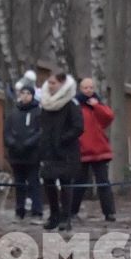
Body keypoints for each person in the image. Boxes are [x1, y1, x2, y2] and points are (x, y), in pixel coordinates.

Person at [37, 70, 85, 232]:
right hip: (48, 150)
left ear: (62, 84)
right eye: (49, 83)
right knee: (48, 182)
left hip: (66, 151)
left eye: (53, 83)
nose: (50, 86)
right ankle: (54, 215)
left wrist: (62, 139)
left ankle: (66, 217)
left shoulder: (71, 103)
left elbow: (78, 127)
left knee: (65, 184)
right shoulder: (45, 103)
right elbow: (42, 125)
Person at [67, 77, 117, 223]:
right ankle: (72, 211)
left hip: (99, 150)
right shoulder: (75, 105)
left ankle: (109, 213)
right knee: (79, 183)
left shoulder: (98, 103)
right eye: (85, 88)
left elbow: (109, 117)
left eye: (91, 88)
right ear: (80, 89)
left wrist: (97, 106)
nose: (88, 90)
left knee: (103, 183)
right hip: (81, 150)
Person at [4, 84, 43, 219]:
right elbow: (6, 131)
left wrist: (30, 142)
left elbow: (41, 131)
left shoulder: (38, 112)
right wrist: (12, 142)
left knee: (34, 183)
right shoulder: (13, 113)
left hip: (32, 155)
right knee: (19, 183)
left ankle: (36, 210)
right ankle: (19, 209)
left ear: (32, 95)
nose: (25, 96)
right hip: (16, 154)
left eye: (28, 93)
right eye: (23, 93)